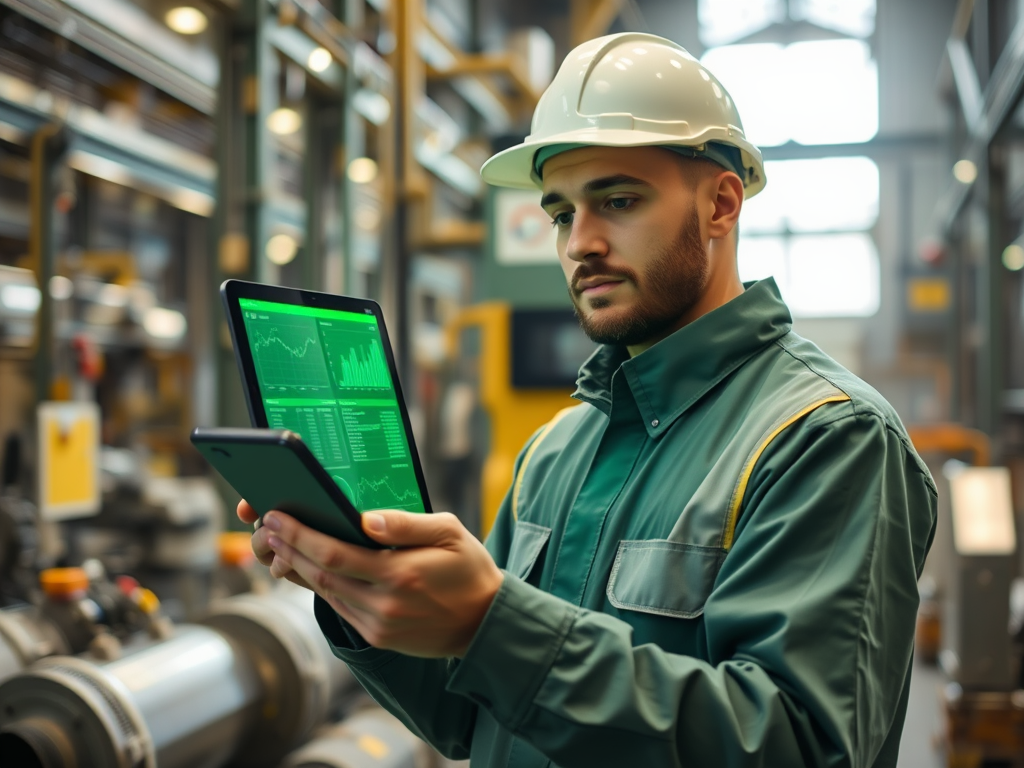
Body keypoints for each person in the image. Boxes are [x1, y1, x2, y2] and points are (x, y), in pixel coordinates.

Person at [238, 33, 937, 767]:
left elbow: (799, 746)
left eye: (619, 200)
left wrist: (492, 625)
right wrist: (356, 593)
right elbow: (466, 716)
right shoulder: (558, 449)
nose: (581, 243)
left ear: (722, 204)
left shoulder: (826, 439)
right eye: (563, 213)